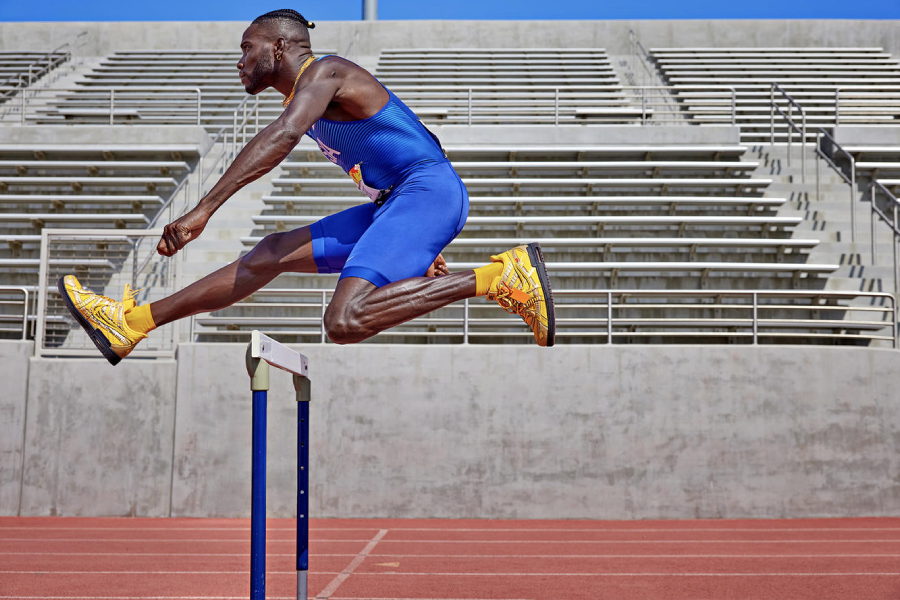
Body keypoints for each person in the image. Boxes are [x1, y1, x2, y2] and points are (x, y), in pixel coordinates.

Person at [58, 8, 555, 366]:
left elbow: (284, 135)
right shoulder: (312, 98)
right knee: (269, 252)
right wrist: (411, 241)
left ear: (278, 46)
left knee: (344, 321)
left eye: (246, 48)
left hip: (423, 193)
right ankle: (131, 324)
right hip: (400, 202)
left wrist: (203, 210)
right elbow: (417, 141)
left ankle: (498, 278)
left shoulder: (327, 73)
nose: (240, 61)